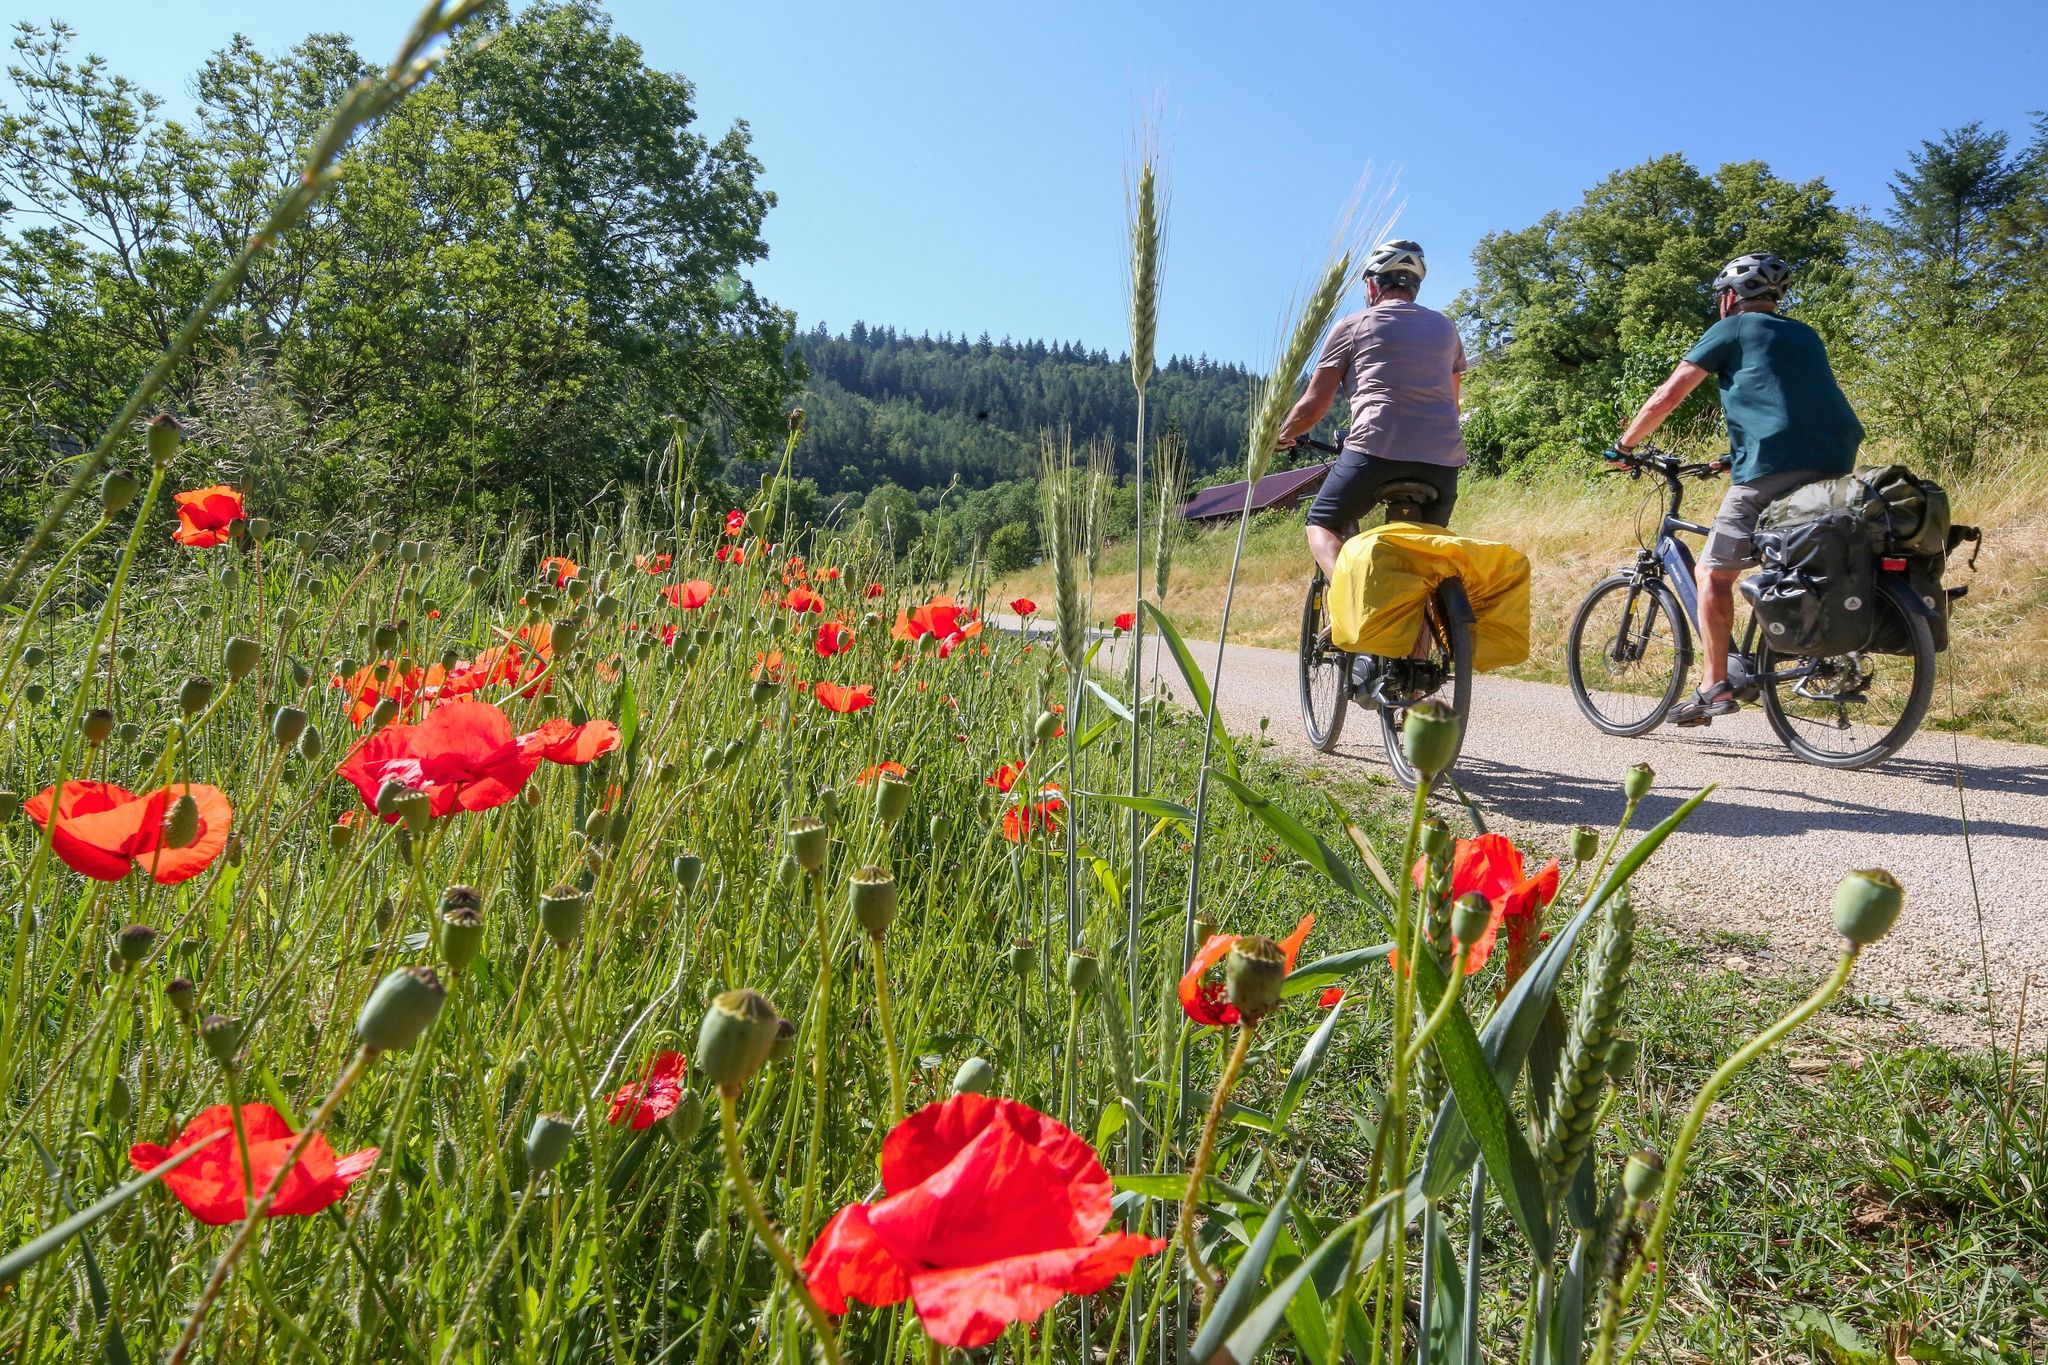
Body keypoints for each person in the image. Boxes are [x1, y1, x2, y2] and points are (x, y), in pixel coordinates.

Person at [1609, 251, 1865, 726]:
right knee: (1786, 559)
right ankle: (1796, 652)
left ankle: (1714, 686)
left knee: (1713, 573)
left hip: (1772, 466)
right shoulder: (1805, 334)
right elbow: (1787, 400)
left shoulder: (1733, 328)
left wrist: (1625, 446)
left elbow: (1670, 394)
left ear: (1731, 296)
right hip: (1836, 463)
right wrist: (1735, 456)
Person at [1281, 239, 1470, 581]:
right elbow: (1453, 404)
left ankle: (1352, 602)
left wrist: (1281, 436)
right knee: (1422, 569)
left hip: (1375, 449)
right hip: (1443, 462)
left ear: (1371, 284)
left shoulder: (1352, 326)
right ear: (1415, 287)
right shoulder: (1447, 328)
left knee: (1322, 523)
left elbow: (1313, 406)